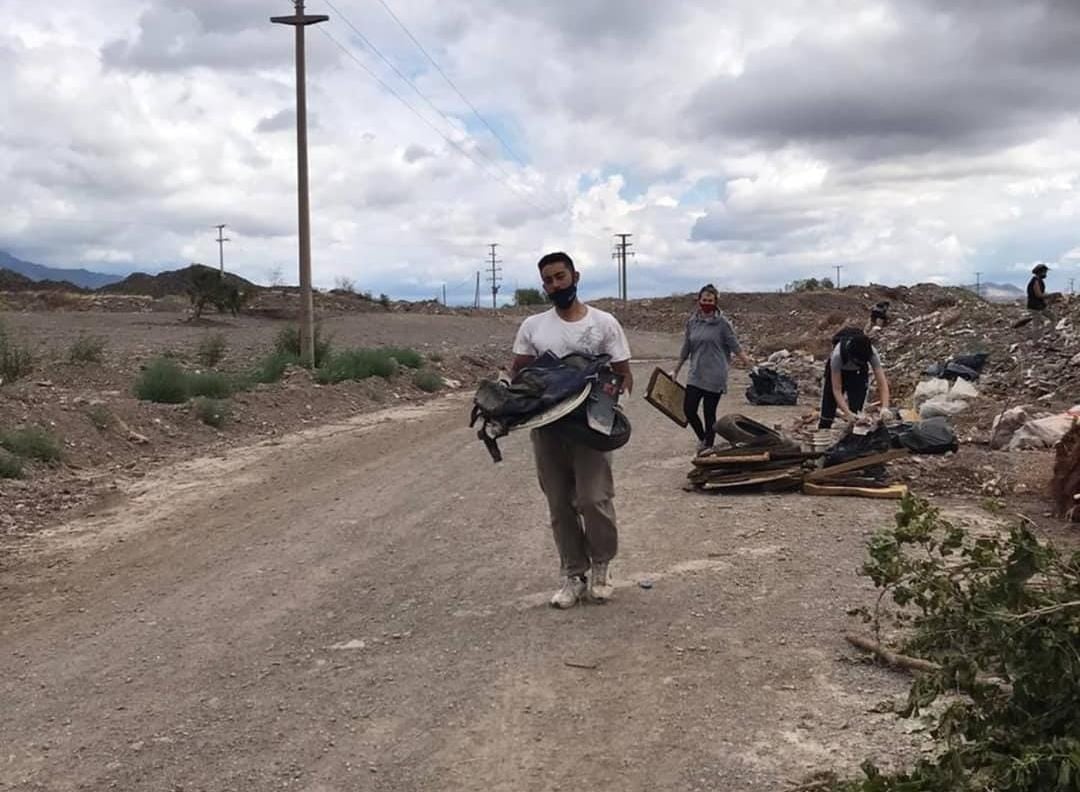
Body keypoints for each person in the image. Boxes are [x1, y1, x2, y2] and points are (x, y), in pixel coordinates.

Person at [512, 252, 633, 609]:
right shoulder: (533, 326)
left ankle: (601, 566)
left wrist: (603, 395)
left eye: (560, 277)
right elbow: (519, 373)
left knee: (593, 499)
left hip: (591, 428)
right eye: (547, 281)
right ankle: (573, 574)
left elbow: (624, 374)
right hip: (548, 428)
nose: (554, 286)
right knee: (559, 503)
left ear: (575, 276)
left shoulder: (604, 323)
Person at [671, 284, 750, 453]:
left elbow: (735, 346)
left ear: (716, 302)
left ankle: (708, 446)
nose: (707, 303)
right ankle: (703, 438)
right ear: (699, 300)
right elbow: (686, 348)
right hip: (696, 373)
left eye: (710, 300)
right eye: (704, 300)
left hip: (715, 375)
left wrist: (751, 366)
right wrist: (676, 370)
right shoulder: (692, 322)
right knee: (689, 409)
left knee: (709, 413)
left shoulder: (722, 323)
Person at [819, 329, 891, 429]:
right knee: (828, 409)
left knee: (857, 412)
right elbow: (837, 389)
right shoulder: (837, 356)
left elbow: (882, 383)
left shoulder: (872, 353)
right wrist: (846, 412)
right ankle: (823, 431)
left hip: (858, 374)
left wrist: (885, 407)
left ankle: (853, 437)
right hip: (839, 372)